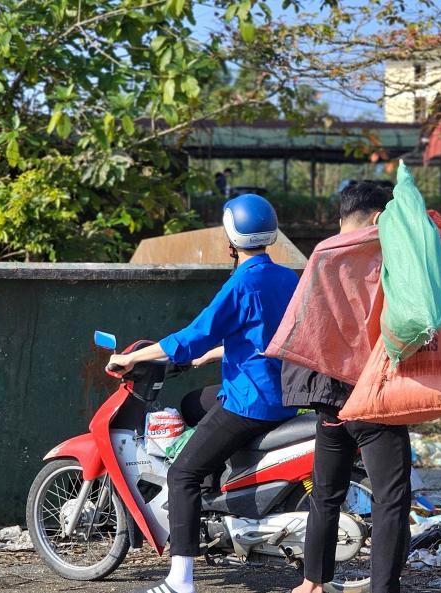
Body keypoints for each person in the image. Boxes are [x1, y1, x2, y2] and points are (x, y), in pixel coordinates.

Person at [109, 194, 299, 593]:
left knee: (182, 472)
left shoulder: (241, 283)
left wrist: (134, 358)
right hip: (285, 393)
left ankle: (181, 580)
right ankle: (216, 495)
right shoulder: (288, 278)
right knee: (192, 404)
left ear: (231, 238)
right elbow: (263, 334)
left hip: (252, 402)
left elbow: (191, 336)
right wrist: (217, 354)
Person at [283, 181, 412, 593]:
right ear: (379, 219)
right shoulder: (391, 257)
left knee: (325, 492)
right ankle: (383, 588)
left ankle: (312, 582)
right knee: (390, 497)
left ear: (342, 220)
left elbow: (307, 327)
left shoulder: (322, 255)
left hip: (328, 399)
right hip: (373, 395)